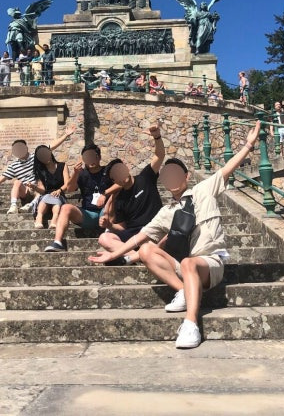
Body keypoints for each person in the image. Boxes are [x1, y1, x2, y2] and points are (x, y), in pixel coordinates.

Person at [89, 120, 261, 349]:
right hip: (185, 267)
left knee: (189, 262)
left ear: (186, 176)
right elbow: (138, 238)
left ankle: (191, 324)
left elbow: (228, 168)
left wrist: (248, 145)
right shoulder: (166, 212)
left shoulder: (203, 190)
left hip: (210, 263)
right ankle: (183, 290)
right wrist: (113, 255)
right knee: (147, 250)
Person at [96, 123, 165, 264]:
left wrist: (157, 137)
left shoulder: (146, 177)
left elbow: (159, 156)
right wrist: (109, 225)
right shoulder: (119, 199)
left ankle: (135, 256)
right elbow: (122, 227)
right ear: (114, 181)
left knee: (162, 237)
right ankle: (139, 256)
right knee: (104, 238)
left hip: (154, 230)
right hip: (134, 235)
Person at [0, 127, 76, 214]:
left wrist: (66, 135)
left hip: (39, 189)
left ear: (26, 148)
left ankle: (31, 205)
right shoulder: (14, 165)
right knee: (17, 182)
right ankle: (13, 205)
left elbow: (51, 146)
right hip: (26, 191)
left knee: (41, 184)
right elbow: (2, 178)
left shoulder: (36, 157)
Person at [44, 143, 116, 252]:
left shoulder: (108, 171)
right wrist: (75, 173)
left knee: (113, 200)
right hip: (88, 215)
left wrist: (105, 194)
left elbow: (122, 182)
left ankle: (109, 236)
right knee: (66, 207)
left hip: (106, 213)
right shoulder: (82, 174)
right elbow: (70, 189)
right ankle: (57, 242)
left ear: (99, 157)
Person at [28, 145, 70, 229]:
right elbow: (43, 191)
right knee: (46, 197)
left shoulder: (62, 166)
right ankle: (39, 217)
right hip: (46, 194)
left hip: (60, 194)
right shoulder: (40, 170)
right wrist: (34, 187)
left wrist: (59, 190)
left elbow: (67, 183)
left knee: (56, 199)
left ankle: (55, 219)